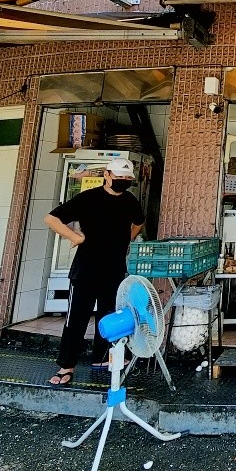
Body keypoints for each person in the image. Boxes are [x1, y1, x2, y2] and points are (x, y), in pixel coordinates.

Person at [44, 158, 145, 387]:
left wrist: (127, 240)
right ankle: (66, 365)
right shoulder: (88, 198)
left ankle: (101, 358)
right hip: (86, 269)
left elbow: (138, 222)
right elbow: (52, 218)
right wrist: (75, 237)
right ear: (107, 175)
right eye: (118, 177)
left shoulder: (130, 201)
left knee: (109, 315)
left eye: (126, 179)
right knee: (77, 318)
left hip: (115, 269)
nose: (122, 182)